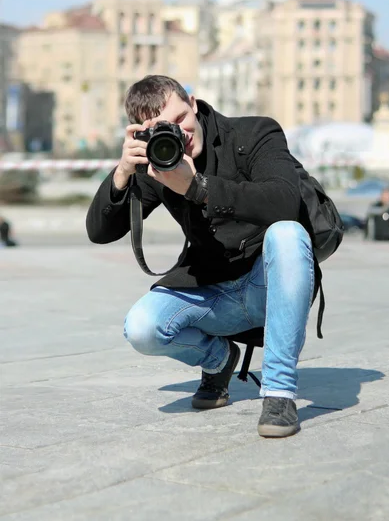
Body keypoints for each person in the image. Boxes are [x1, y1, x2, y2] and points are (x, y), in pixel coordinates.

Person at [86, 75, 319, 438]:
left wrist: (199, 188)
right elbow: (99, 233)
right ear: (142, 133)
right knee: (142, 329)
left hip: (267, 282)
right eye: (162, 128)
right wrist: (122, 172)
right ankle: (219, 359)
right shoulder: (159, 161)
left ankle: (278, 392)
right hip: (213, 293)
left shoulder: (255, 132)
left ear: (193, 103)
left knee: (287, 232)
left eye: (180, 120)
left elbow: (285, 202)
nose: (179, 134)